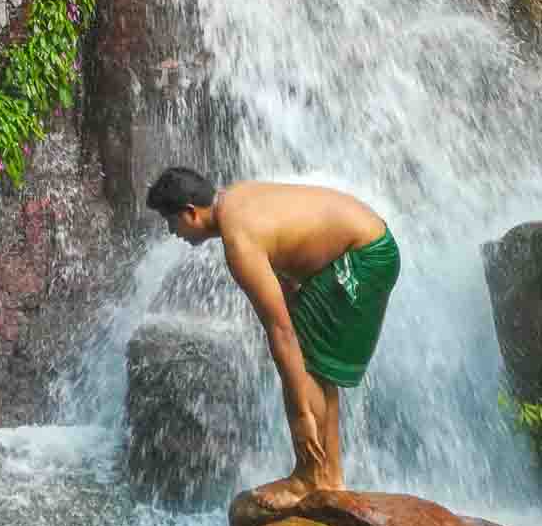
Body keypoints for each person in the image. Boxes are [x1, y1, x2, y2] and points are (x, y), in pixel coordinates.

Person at [145, 166, 400, 501]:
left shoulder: (238, 239)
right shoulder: (237, 198)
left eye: (170, 221)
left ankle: (310, 475)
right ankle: (331, 478)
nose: (171, 232)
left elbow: (281, 333)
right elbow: (290, 247)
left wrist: (300, 416)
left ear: (191, 213)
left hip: (364, 256)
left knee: (305, 357)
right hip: (367, 244)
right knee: (314, 358)